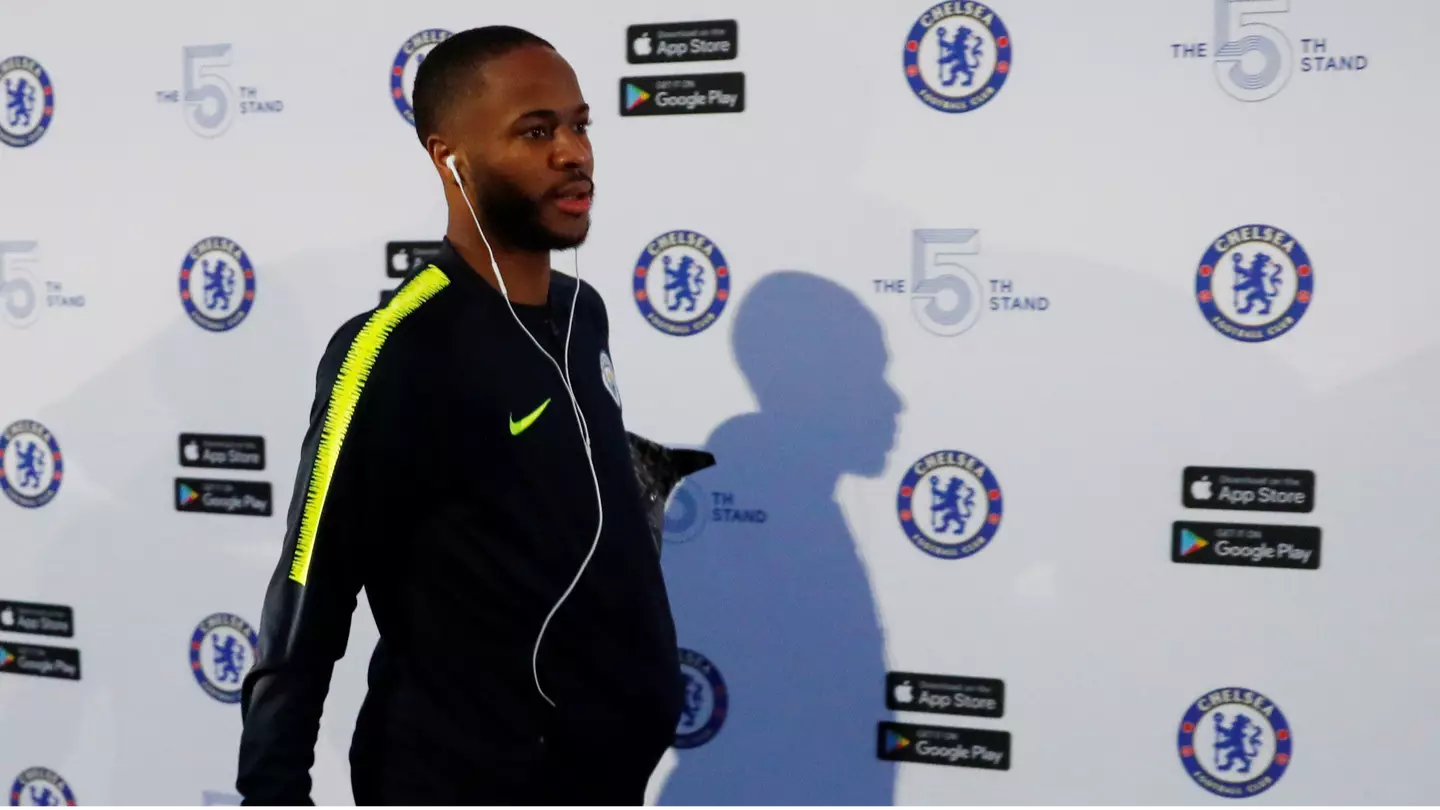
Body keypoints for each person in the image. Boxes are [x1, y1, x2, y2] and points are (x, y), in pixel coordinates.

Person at [235, 26, 685, 809]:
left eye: (580, 126)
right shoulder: (392, 350)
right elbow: (305, 606)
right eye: (536, 131)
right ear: (451, 157)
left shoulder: (586, 315)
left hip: (598, 783)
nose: (573, 153)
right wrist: (273, 797)